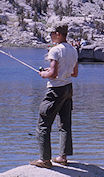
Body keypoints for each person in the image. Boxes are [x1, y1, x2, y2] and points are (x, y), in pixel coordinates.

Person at [30, 24, 79, 168]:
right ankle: (62, 157)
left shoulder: (55, 50)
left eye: (51, 33)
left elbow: (53, 74)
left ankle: (45, 160)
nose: (50, 36)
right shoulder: (73, 50)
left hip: (55, 90)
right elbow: (74, 73)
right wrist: (59, 72)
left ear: (58, 34)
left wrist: (43, 74)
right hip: (68, 89)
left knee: (43, 124)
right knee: (65, 124)